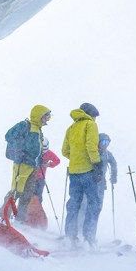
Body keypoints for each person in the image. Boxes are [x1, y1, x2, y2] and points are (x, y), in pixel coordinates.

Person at [61, 102, 101, 248]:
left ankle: (70, 237)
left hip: (74, 172)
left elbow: (64, 150)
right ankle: (88, 238)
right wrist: (96, 165)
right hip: (88, 171)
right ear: (91, 114)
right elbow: (91, 146)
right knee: (94, 203)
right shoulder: (90, 125)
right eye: (95, 116)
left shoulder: (71, 128)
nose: (95, 119)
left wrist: (76, 159)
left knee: (74, 203)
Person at [5, 105, 51, 222]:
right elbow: (9, 136)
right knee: (16, 191)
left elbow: (38, 148)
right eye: (46, 117)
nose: (47, 120)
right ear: (39, 115)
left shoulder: (39, 131)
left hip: (33, 166)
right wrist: (19, 151)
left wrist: (40, 159)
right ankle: (4, 214)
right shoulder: (25, 125)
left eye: (49, 117)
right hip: (22, 163)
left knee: (27, 194)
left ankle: (20, 219)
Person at [77, 132, 117, 236]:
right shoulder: (92, 152)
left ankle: (91, 233)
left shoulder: (108, 154)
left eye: (107, 142)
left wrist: (113, 177)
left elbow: (114, 164)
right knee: (84, 206)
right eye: (103, 141)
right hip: (88, 184)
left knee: (97, 208)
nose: (105, 144)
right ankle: (79, 230)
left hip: (100, 185)